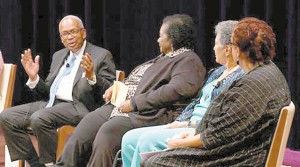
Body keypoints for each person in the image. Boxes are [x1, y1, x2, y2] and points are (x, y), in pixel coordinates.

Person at [55, 14, 206, 167]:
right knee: (88, 123)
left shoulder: (188, 60)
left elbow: (176, 90)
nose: (157, 40)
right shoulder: (162, 58)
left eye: (161, 36)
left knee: (108, 132)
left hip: (148, 113)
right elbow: (139, 81)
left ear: (173, 38)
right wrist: (118, 87)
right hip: (121, 106)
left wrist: (135, 103)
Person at [143, 17, 291, 167]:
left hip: (241, 157)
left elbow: (221, 135)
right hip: (242, 148)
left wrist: (182, 142)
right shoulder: (267, 71)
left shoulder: (254, 83)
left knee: (154, 162)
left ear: (237, 50)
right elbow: (227, 127)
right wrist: (193, 133)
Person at [121, 20, 244, 167]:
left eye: (216, 44)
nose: (213, 48)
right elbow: (195, 101)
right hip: (187, 123)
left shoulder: (240, 76)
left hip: (200, 129)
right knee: (129, 139)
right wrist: (180, 121)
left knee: (146, 141)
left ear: (227, 49)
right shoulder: (217, 72)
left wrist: (190, 123)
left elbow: (222, 115)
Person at [0, 15, 116, 166]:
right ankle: (36, 164)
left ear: (83, 33)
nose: (69, 37)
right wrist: (34, 78)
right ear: (61, 38)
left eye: (73, 31)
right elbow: (47, 93)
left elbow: (110, 90)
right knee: (7, 116)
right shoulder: (59, 55)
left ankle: (51, 163)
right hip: (53, 103)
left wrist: (92, 77)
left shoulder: (101, 55)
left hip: (79, 106)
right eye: (65, 34)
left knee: (39, 118)